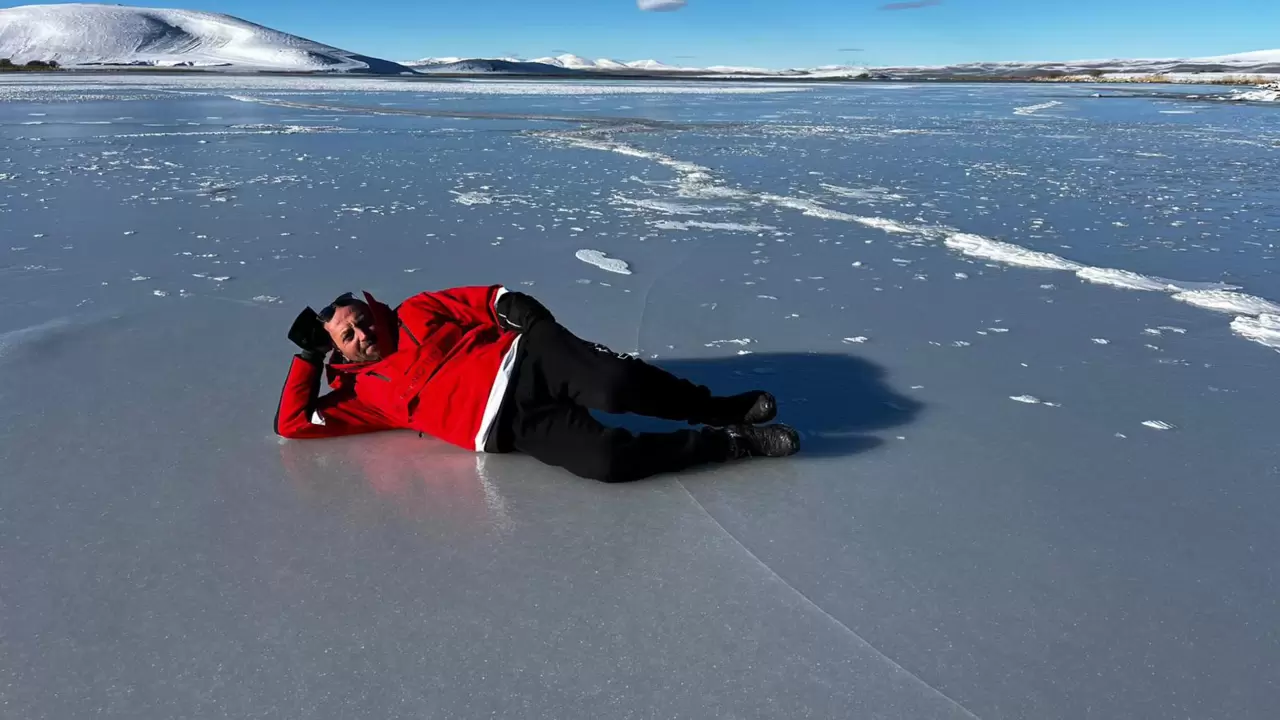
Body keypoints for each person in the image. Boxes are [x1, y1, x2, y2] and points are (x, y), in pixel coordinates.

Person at [275, 285, 800, 483]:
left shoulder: (416, 310)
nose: (363, 333)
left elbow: (492, 300)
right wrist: (305, 359)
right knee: (607, 463)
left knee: (616, 386)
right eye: (349, 335)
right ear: (335, 353)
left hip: (528, 360)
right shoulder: (363, 396)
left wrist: (538, 323)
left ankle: (718, 409)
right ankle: (728, 444)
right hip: (511, 428)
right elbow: (293, 424)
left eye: (362, 319)